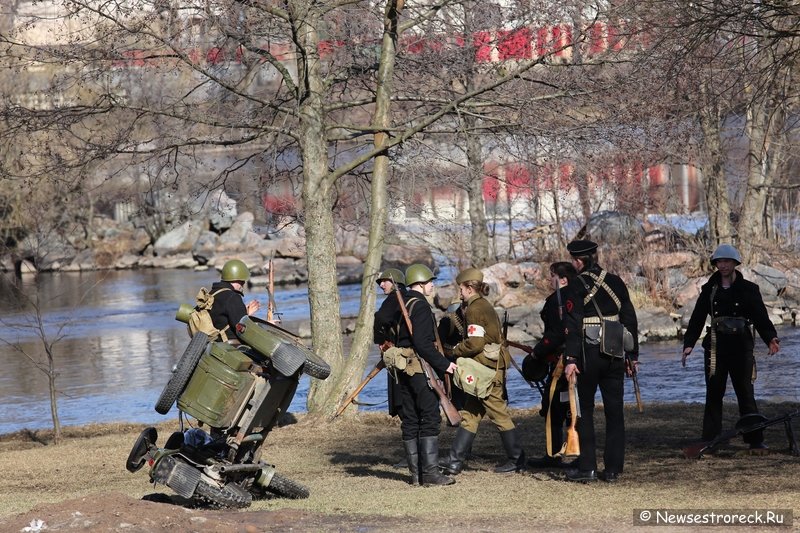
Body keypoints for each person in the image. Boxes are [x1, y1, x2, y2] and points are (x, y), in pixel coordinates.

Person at [681, 244, 780, 450]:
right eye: (719, 262)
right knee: (714, 393)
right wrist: (689, 344)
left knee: (745, 392)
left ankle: (755, 440)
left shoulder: (749, 289)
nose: (723, 265)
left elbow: (760, 316)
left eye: (727, 261)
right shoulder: (709, 289)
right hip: (716, 348)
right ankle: (711, 439)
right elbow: (698, 317)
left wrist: (771, 338)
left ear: (735, 263)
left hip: (741, 346)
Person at [562, 240, 639, 483]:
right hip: (615, 350)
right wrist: (632, 355)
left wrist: (571, 359)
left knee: (583, 410)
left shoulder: (575, 284)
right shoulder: (615, 281)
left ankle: (588, 467)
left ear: (578, 261)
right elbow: (630, 318)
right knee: (615, 411)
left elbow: (572, 325)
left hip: (588, 354)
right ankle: (614, 469)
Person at [440, 267, 526, 475]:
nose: (459, 293)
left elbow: (475, 343)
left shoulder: (475, 309)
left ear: (469, 288)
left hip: (487, 371)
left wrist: (453, 351)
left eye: (461, 288)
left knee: (499, 414)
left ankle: (517, 460)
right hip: (486, 370)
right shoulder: (483, 305)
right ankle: (454, 462)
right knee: (470, 414)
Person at [393, 263, 458, 486]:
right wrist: (445, 365)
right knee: (430, 417)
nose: (432, 285)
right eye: (430, 281)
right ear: (420, 284)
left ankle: (416, 475)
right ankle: (430, 474)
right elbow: (422, 344)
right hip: (420, 368)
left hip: (403, 368)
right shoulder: (419, 306)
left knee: (410, 419)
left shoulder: (402, 304)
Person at [527, 261, 577, 468]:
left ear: (563, 279)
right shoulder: (578, 296)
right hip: (574, 359)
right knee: (567, 408)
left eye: (553, 275)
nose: (549, 279)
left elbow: (555, 334)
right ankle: (567, 453)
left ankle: (555, 454)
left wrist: (536, 353)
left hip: (561, 362)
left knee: (554, 407)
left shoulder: (559, 299)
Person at [373, 268, 407, 419]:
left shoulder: (394, 298)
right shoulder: (410, 296)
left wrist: (380, 341)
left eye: (384, 281)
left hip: (398, 352)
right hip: (413, 351)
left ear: (395, 282)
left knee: (401, 396)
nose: (381, 285)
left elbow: (381, 317)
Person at [208, 259, 261, 338]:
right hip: (231, 344)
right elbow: (243, 329)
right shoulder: (232, 297)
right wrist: (267, 325)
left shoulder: (212, 293)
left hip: (215, 342)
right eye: (242, 282)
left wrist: (244, 311)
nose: (243, 285)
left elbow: (221, 319)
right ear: (236, 279)